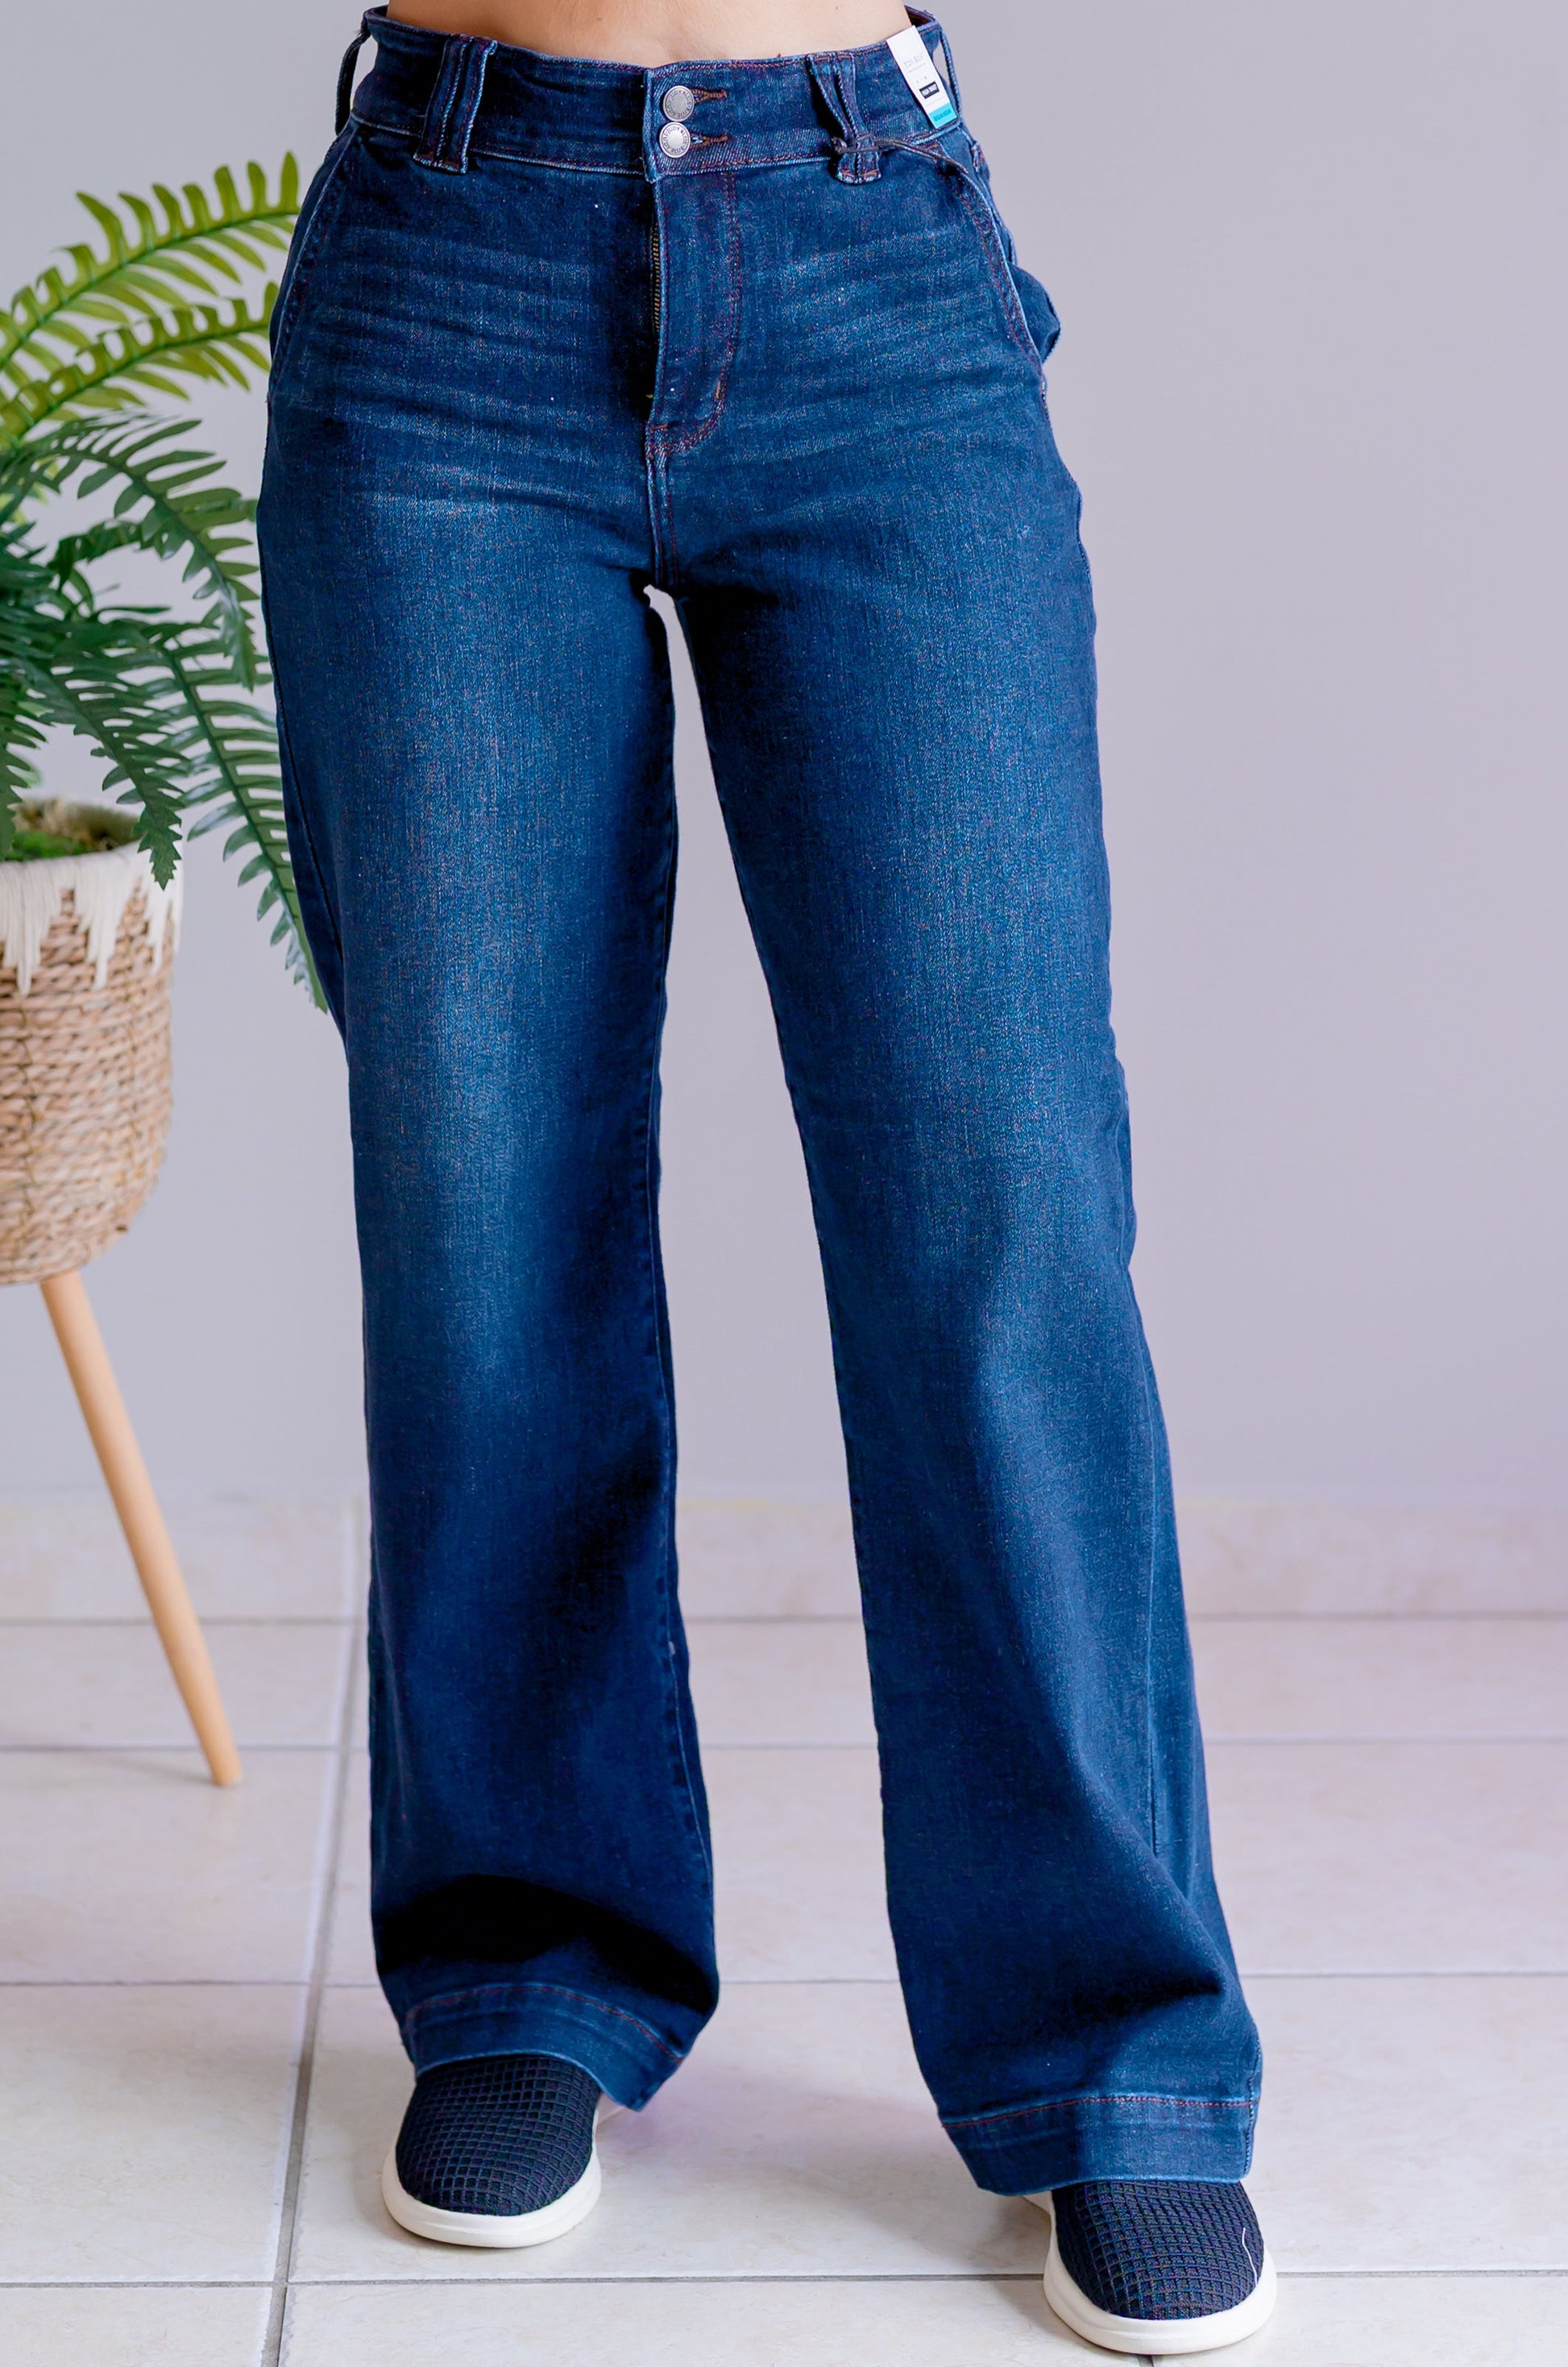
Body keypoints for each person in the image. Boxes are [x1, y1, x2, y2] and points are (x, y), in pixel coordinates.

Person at [257, 2, 1276, 2350]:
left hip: (863, 254)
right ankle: (526, 1960)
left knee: (994, 1211)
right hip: (447, 261)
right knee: (482, 1204)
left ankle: (1114, 2054)